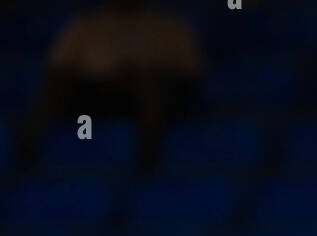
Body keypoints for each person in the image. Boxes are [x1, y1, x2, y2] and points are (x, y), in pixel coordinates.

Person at [17, 0, 204, 173]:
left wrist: (140, 75)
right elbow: (58, 67)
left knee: (150, 87)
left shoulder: (169, 25)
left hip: (151, 94)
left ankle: (148, 157)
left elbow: (189, 71)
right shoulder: (85, 25)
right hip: (96, 93)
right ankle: (29, 147)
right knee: (58, 84)